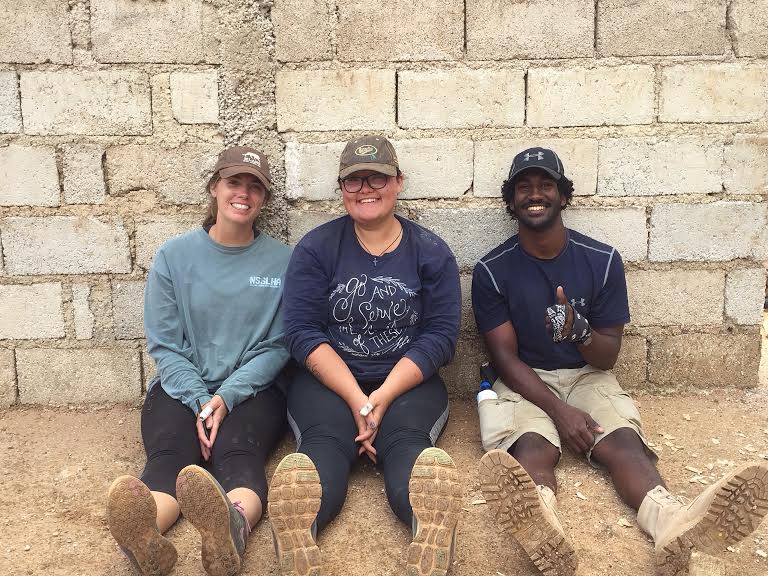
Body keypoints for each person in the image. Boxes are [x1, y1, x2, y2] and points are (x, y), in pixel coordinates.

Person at [471, 147, 768, 576]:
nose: (535, 194)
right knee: (532, 447)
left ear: (564, 196)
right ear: (511, 200)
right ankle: (543, 526)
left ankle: (672, 525)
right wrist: (560, 412)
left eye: (546, 185)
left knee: (624, 445)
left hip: (588, 375)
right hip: (525, 380)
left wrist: (580, 332)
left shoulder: (602, 260)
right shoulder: (492, 270)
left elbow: (608, 355)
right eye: (524, 187)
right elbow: (503, 357)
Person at [271, 135, 463, 576]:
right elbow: (301, 332)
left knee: (407, 445)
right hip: (328, 383)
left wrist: (384, 396)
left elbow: (440, 335)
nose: (365, 189)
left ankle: (430, 530)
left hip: (408, 383)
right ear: (342, 188)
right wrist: (358, 400)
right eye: (353, 180)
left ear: (398, 182)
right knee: (324, 445)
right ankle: (299, 533)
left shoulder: (430, 251)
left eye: (376, 178)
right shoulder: (316, 249)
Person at [106, 146, 292, 576]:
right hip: (180, 387)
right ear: (214, 188)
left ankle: (232, 528)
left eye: (254, 187)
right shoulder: (174, 257)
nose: (243, 193)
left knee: (239, 455)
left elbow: (279, 346)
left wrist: (225, 398)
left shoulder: (283, 261)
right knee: (170, 458)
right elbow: (165, 345)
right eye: (234, 182)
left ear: (264, 198)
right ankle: (146, 537)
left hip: (253, 390)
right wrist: (199, 400)